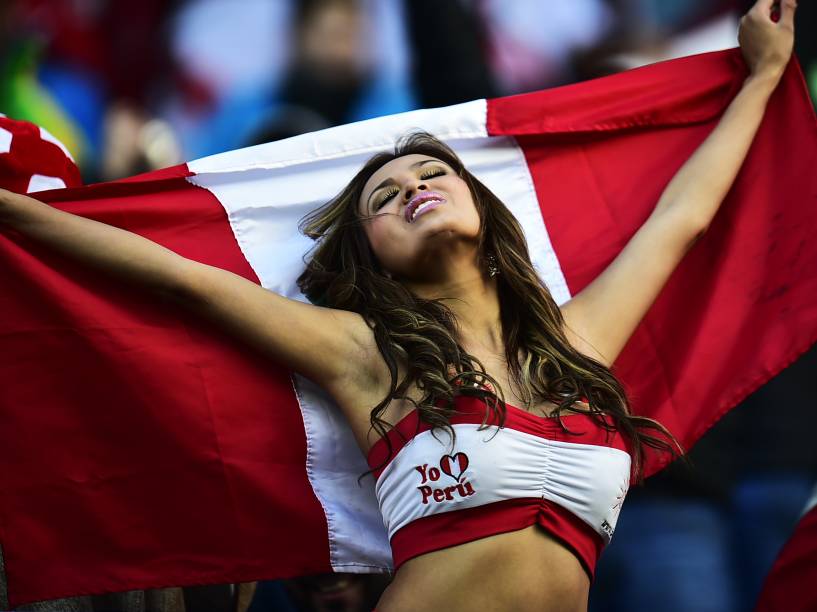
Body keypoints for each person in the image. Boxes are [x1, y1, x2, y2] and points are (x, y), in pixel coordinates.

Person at [0, 1, 797, 609]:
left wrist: (762, 76)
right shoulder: (361, 352)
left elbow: (680, 219)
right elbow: (184, 281)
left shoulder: (577, 340)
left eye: (432, 177)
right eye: (387, 196)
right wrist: (13, 211)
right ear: (369, 252)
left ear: (483, 214)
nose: (415, 189)